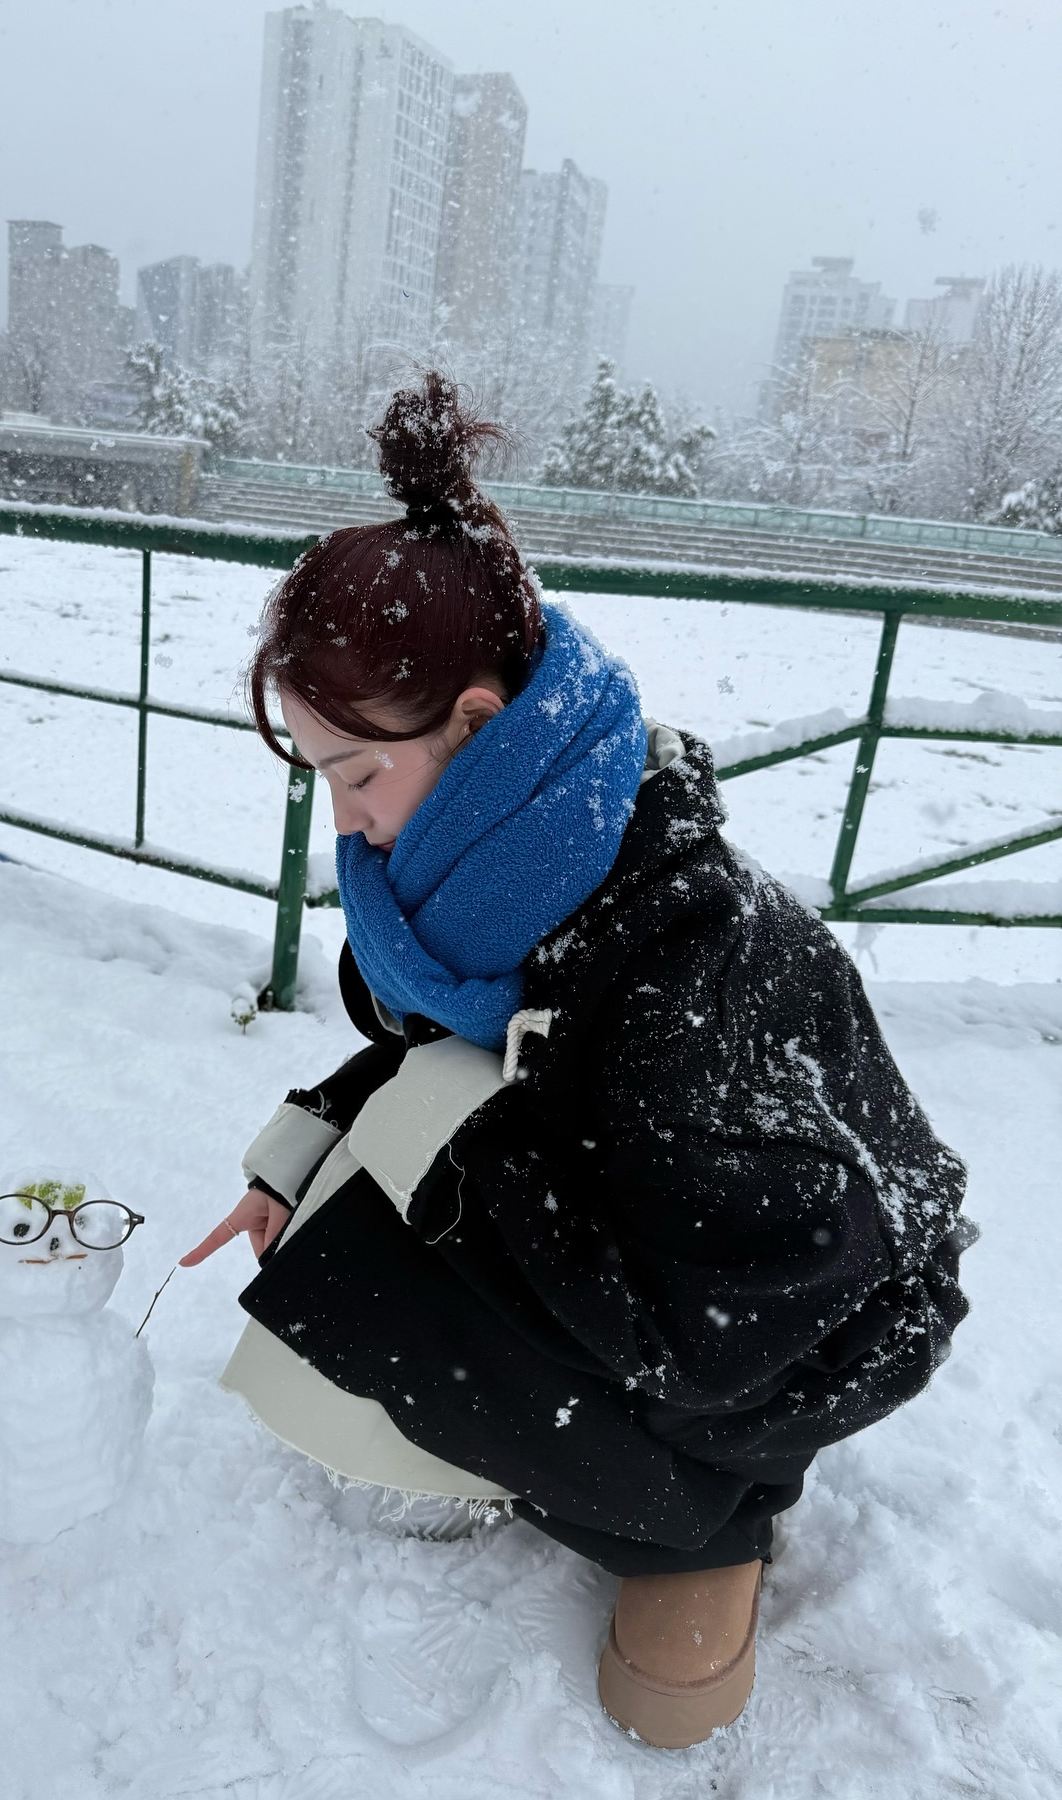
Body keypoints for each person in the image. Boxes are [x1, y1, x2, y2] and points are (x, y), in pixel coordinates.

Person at [181, 372, 972, 1749]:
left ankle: (716, 1525)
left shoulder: (680, 989)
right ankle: (612, 1486)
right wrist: (311, 1149)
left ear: (482, 727)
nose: (351, 831)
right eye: (323, 780)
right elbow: (452, 1063)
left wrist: (460, 1197)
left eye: (360, 777)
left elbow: (733, 1329)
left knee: (398, 1285)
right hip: (691, 1250)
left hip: (796, 1335)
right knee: (379, 1226)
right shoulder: (534, 862)